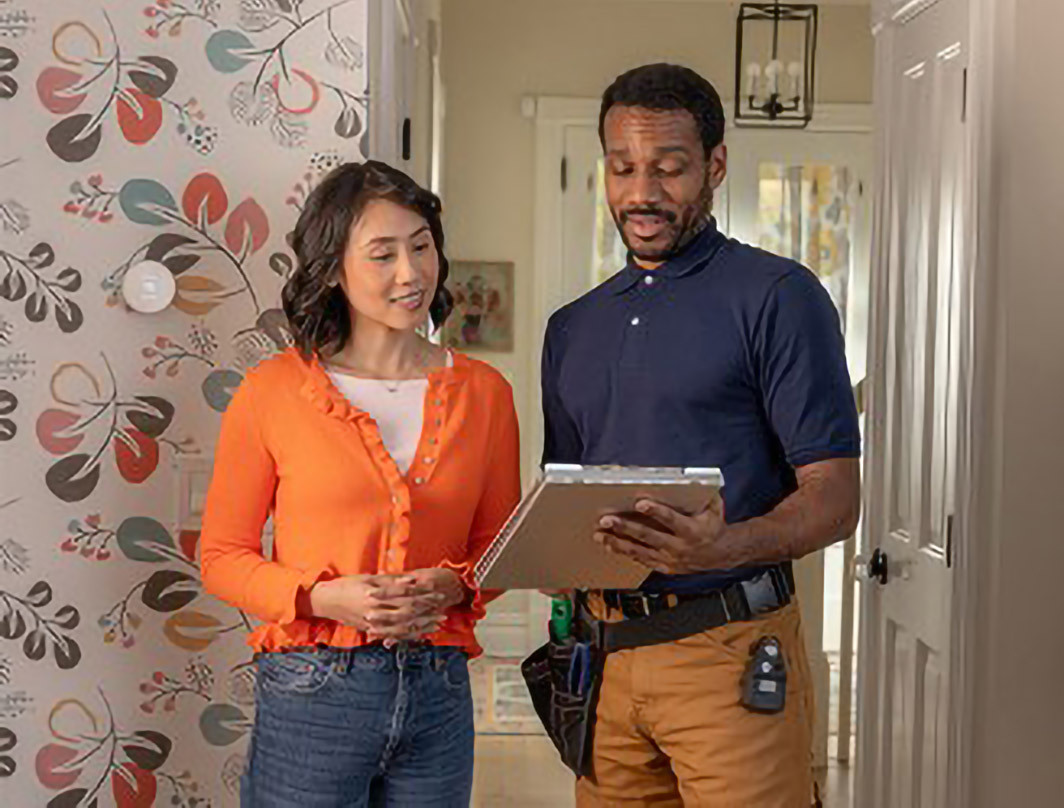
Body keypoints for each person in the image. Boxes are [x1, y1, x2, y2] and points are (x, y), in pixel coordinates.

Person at [540, 64, 861, 807]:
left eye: (669, 167)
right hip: (605, 661)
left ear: (715, 167)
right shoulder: (572, 328)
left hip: (730, 652)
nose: (642, 192)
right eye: (623, 167)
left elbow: (836, 499)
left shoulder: (780, 298)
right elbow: (562, 494)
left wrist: (722, 547)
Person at [200, 161, 521, 807]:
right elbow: (220, 557)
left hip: (440, 689)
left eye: (422, 245)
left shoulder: (486, 394)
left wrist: (454, 582)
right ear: (334, 269)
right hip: (312, 692)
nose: (411, 272)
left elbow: (500, 547)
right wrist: (323, 600)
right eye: (382, 254)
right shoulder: (273, 391)